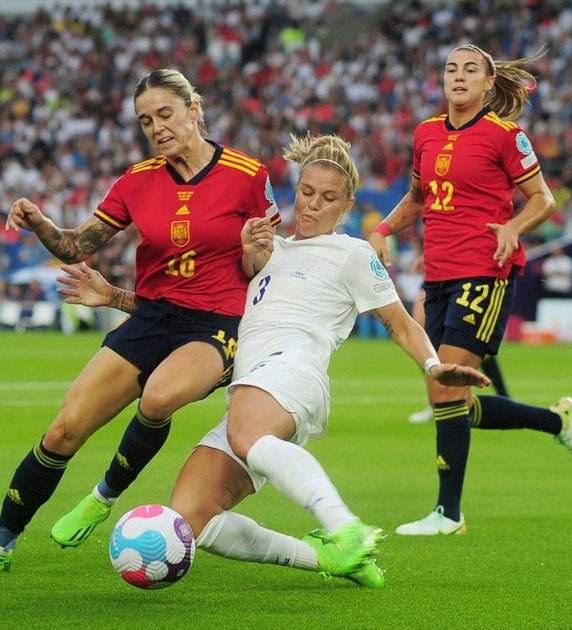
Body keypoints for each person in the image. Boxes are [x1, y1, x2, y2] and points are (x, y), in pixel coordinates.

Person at [54, 133, 490, 587]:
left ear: (347, 205)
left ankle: (344, 526)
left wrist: (432, 366)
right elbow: (186, 316)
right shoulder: (263, 249)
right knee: (192, 517)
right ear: (293, 190)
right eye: (306, 192)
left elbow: (400, 323)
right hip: (253, 389)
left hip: (292, 374)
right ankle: (327, 559)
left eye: (328, 198)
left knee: (245, 433)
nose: (313, 205)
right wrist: (114, 297)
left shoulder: (352, 254)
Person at [0, 68, 280, 571]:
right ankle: (4, 536)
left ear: (194, 109)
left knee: (158, 397)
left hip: (216, 325)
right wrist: (40, 223)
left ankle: (104, 495)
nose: (156, 127)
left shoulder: (248, 175)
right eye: (146, 120)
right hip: (151, 317)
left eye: (165, 114)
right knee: (64, 429)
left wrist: (251, 253)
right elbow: (74, 245)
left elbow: (264, 271)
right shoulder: (137, 180)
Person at [369, 44, 572, 537]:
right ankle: (558, 422)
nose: (459, 76)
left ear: (489, 83)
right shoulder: (426, 133)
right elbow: (417, 197)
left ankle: (449, 514)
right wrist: (384, 229)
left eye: (471, 69)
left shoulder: (505, 135)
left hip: (485, 271)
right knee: (453, 402)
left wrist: (514, 227)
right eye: (451, 68)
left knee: (443, 386)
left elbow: (543, 198)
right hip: (440, 275)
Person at [407, 288, 510, 424]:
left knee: (476, 344)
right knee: (424, 339)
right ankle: (437, 403)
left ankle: (504, 397)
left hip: (466, 279)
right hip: (436, 275)